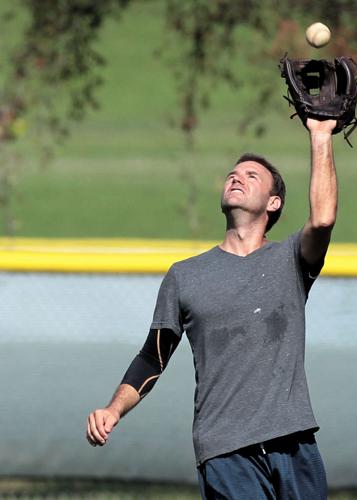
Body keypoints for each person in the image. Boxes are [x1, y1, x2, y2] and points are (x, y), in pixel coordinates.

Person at [86, 117, 338, 499]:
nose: (236, 178)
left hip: (294, 442)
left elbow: (322, 219)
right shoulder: (185, 276)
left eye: (252, 176)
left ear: (274, 203)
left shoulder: (290, 259)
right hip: (225, 450)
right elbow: (152, 358)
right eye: (232, 175)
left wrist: (320, 136)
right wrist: (113, 409)